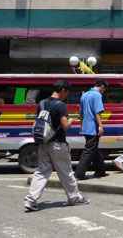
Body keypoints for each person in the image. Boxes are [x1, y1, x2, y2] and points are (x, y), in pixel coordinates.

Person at [24, 80, 89, 211]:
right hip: (58, 144)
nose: (67, 96)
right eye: (67, 93)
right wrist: (71, 121)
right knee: (65, 172)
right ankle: (74, 198)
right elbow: (64, 126)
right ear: (63, 90)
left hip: (43, 143)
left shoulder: (41, 104)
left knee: (41, 172)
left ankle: (30, 200)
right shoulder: (61, 105)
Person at [75, 79, 108, 180]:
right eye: (104, 89)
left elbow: (81, 113)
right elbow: (97, 112)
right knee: (89, 150)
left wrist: (81, 125)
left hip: (86, 126)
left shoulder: (84, 95)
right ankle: (79, 174)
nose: (103, 91)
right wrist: (100, 125)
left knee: (94, 148)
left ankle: (100, 171)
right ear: (102, 86)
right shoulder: (97, 95)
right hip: (93, 127)